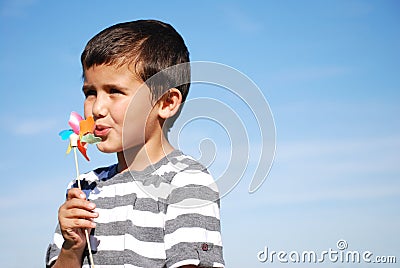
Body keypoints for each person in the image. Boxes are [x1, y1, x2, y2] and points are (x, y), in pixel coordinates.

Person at [46, 19, 224, 268]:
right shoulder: (84, 187)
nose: (97, 108)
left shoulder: (186, 180)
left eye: (115, 91)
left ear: (166, 102)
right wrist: (71, 247)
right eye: (90, 92)